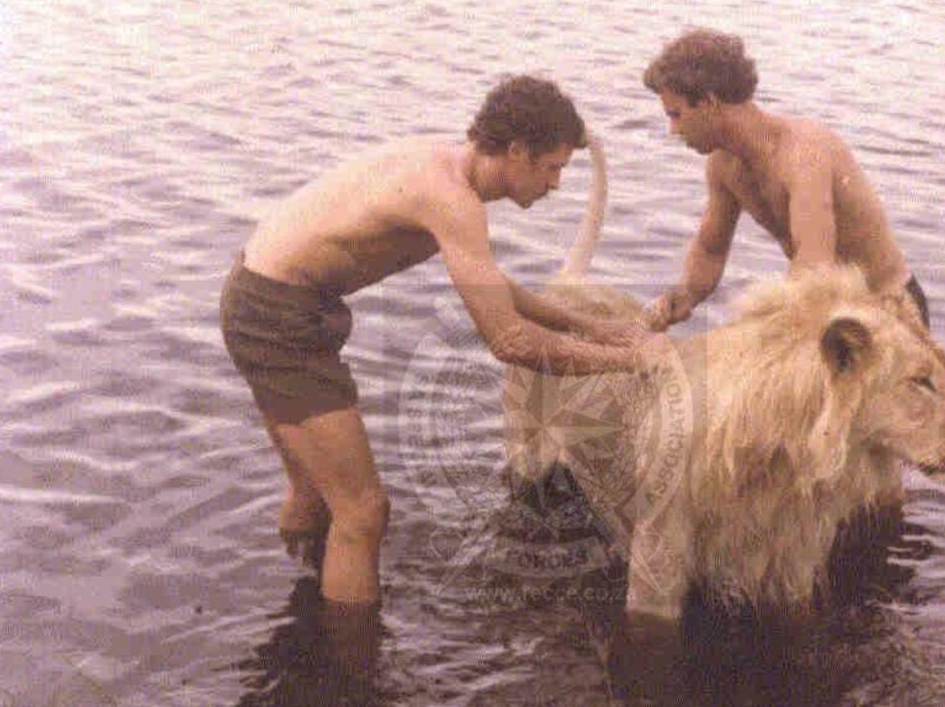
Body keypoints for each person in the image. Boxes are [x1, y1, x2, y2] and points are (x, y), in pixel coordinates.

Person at [220, 75, 660, 606]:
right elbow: (510, 341)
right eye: (552, 168)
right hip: (277, 317)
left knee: (316, 496)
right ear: (517, 152)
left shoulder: (443, 167)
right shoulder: (451, 201)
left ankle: (302, 610)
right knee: (363, 513)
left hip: (264, 296)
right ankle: (347, 673)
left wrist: (589, 326)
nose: (556, 185)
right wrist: (625, 360)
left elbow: (491, 283)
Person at [639, 28, 931, 332]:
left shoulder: (803, 154)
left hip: (889, 307)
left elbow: (814, 264)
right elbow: (711, 249)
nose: (673, 130)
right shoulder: (722, 165)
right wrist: (685, 294)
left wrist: (761, 329)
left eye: (676, 115)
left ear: (710, 102)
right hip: (830, 309)